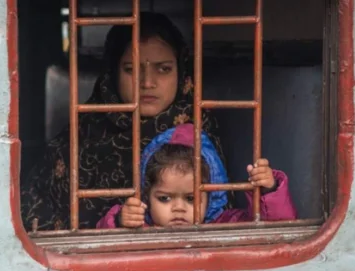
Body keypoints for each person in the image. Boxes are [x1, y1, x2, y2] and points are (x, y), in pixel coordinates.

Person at [21, 12, 228, 231]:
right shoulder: (82, 133)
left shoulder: (198, 130)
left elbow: (223, 216)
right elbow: (33, 216)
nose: (147, 82)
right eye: (131, 69)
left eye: (164, 69)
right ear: (112, 72)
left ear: (182, 70)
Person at [97, 124, 297, 228]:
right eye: (164, 198)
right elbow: (100, 245)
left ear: (211, 195)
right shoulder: (140, 227)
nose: (178, 208)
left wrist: (268, 190)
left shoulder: (227, 225)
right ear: (147, 196)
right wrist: (120, 221)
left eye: (191, 198)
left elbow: (276, 228)